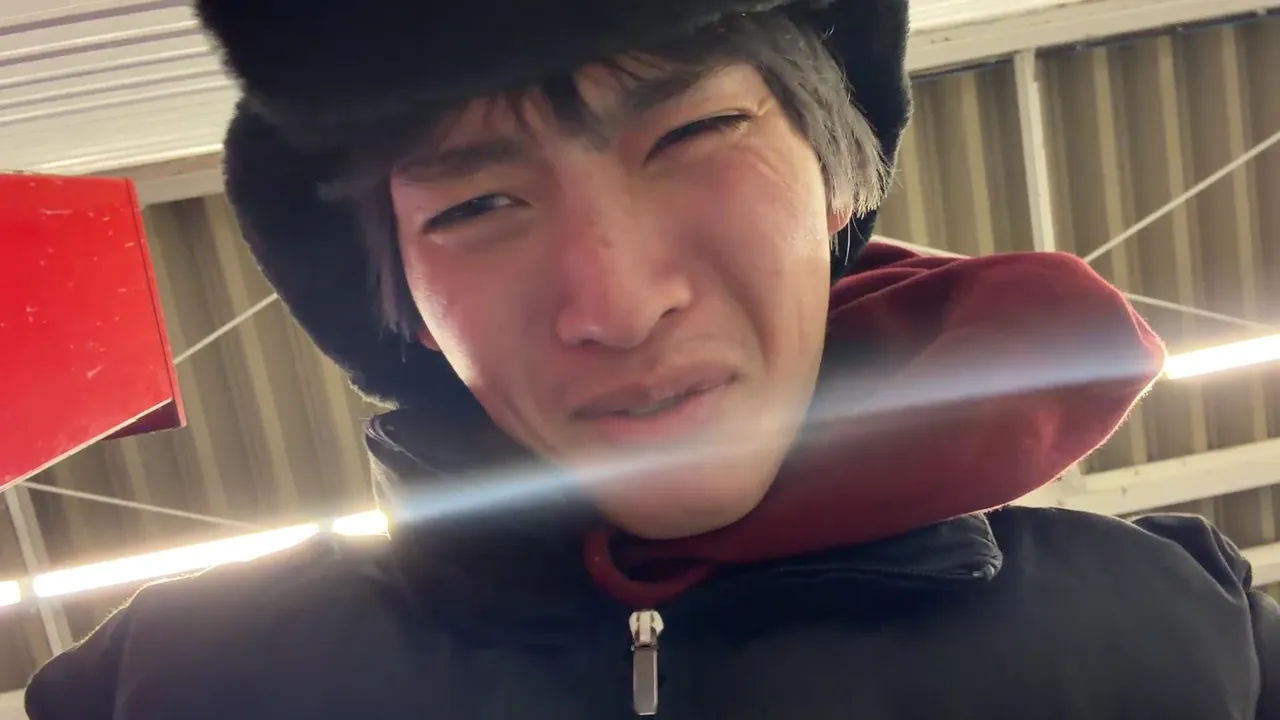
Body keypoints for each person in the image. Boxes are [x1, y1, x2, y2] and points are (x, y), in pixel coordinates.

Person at [22, 1, 1280, 717]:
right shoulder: (189, 684)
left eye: (692, 135)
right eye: (474, 206)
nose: (616, 307)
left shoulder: (1185, 643)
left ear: (836, 176)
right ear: (400, 304)